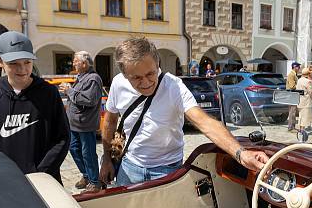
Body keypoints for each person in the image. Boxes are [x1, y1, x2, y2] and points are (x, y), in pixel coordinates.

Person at [99, 37, 267, 186]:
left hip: (167, 171)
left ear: (158, 64)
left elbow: (205, 122)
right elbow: (110, 120)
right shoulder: (118, 84)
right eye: (136, 78)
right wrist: (106, 158)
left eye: (151, 73)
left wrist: (241, 154)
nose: (146, 82)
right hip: (130, 168)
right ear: (125, 75)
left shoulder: (174, 86)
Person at [0, 31, 69, 183]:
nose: (23, 70)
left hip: (43, 181)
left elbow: (62, 138)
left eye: (27, 62)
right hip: (4, 180)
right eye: (14, 64)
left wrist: (40, 174)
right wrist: (0, 168)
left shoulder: (48, 92)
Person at [60, 51, 104, 192]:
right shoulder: (81, 77)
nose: (73, 63)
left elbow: (89, 100)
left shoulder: (93, 79)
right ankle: (86, 175)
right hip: (75, 124)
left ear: (84, 64)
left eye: (75, 61)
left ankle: (95, 182)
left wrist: (69, 91)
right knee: (73, 149)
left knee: (88, 153)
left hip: (85, 124)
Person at [296, 67, 312, 135]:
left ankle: (300, 129)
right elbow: (310, 92)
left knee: (301, 116)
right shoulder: (308, 81)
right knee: (305, 117)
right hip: (306, 101)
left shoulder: (299, 80)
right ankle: (302, 131)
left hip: (300, 101)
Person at [286, 61, 301, 131]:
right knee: (292, 111)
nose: (299, 68)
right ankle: (291, 127)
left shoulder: (294, 74)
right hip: (291, 94)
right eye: (298, 67)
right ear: (294, 67)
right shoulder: (291, 74)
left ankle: (292, 126)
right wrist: (300, 85)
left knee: (293, 111)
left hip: (293, 94)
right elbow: (292, 86)